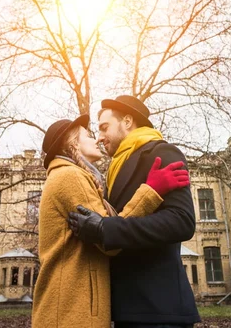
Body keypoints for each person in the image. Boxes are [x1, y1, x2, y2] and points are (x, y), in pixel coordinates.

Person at [32, 114, 190, 328]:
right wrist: (151, 190)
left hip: (74, 307)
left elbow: (105, 227)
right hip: (72, 310)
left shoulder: (73, 175)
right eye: (88, 135)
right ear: (72, 144)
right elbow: (108, 240)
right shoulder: (70, 176)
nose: (96, 139)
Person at [68, 95, 201, 328]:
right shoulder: (114, 167)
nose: (99, 138)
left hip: (158, 308)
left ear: (127, 121)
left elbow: (182, 221)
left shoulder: (162, 153)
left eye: (104, 128)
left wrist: (105, 229)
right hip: (125, 307)